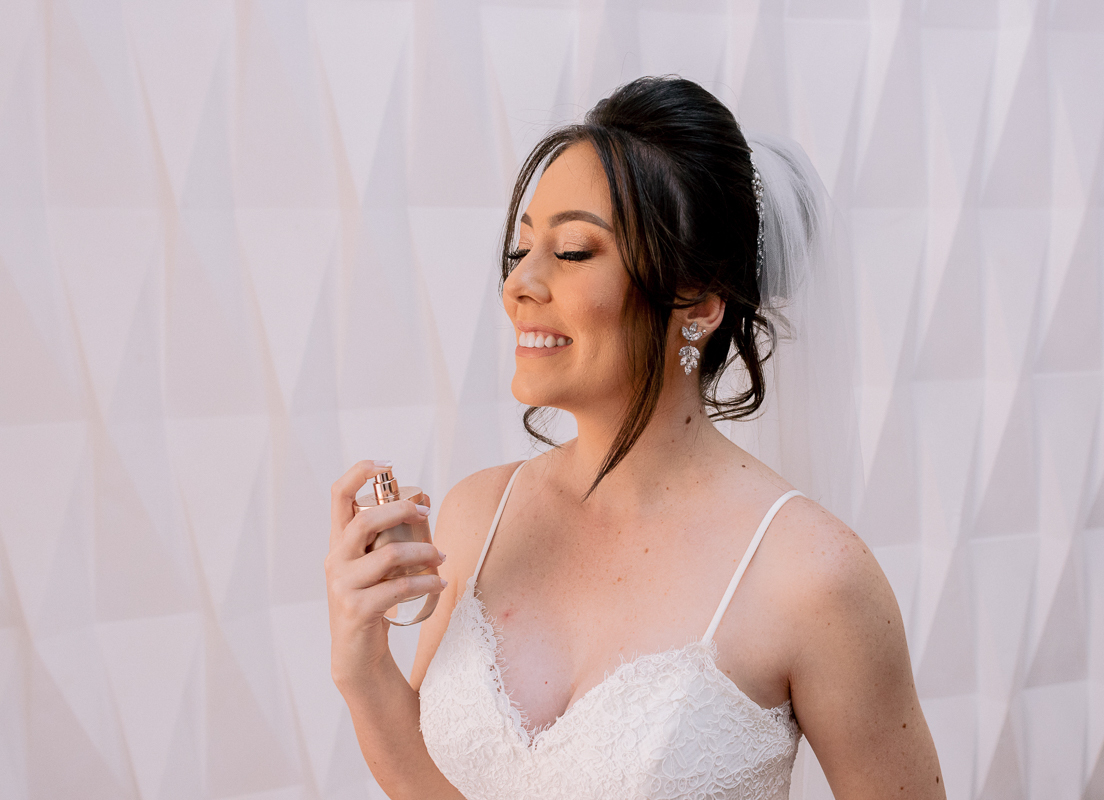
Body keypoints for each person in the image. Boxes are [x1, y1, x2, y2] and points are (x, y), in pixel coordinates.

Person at [325, 76, 944, 799]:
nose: (520, 284)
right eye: (521, 250)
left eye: (573, 251)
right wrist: (362, 669)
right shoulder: (477, 516)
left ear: (699, 301)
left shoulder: (813, 576)